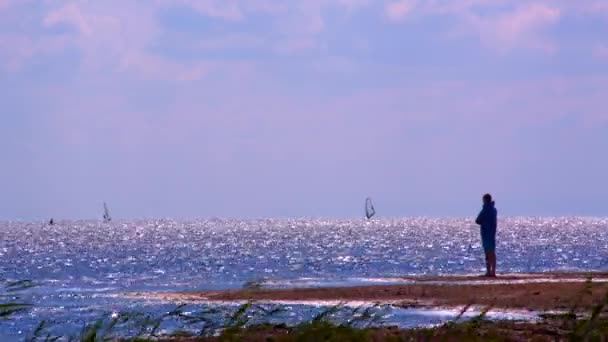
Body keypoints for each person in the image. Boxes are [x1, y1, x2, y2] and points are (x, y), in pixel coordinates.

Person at [475, 193, 497, 277]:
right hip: (492, 233)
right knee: (492, 253)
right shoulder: (494, 210)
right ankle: (493, 271)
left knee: (488, 253)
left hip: (486, 233)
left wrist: (483, 222)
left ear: (485, 200)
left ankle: (489, 271)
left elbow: (477, 220)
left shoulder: (485, 210)